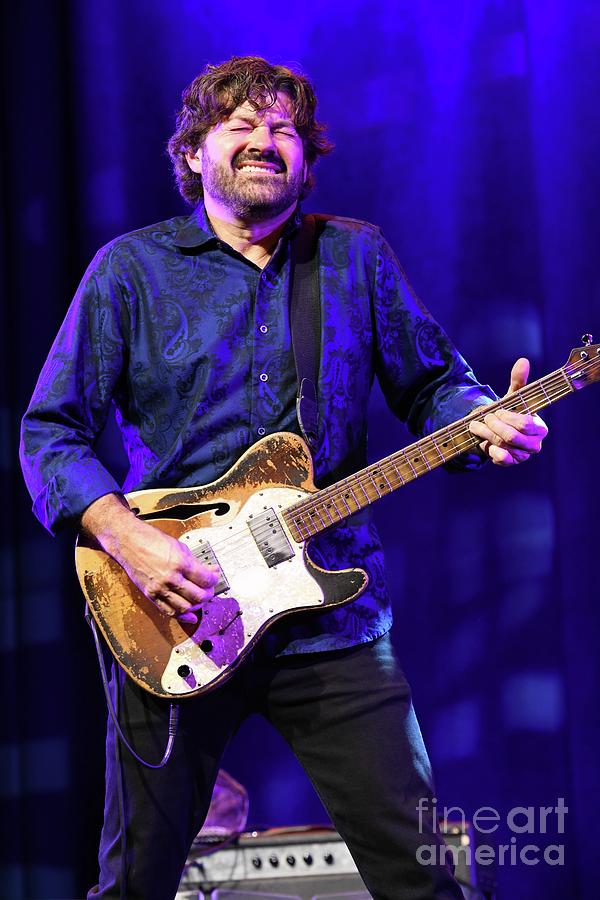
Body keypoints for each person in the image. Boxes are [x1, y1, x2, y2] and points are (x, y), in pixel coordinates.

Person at [20, 56, 548, 900]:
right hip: (175, 609)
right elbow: (50, 433)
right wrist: (131, 542)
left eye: (284, 131)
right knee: (134, 884)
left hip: (336, 625)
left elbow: (431, 385)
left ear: (307, 157)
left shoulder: (354, 257)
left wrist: (479, 421)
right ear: (193, 154)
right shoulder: (130, 270)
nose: (266, 141)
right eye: (241, 125)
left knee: (422, 877)